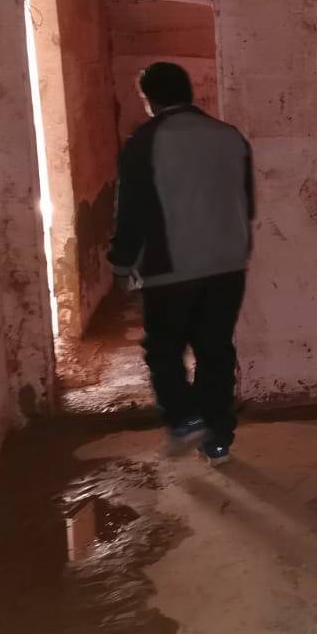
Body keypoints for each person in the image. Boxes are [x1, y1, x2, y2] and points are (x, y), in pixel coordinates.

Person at [108, 62, 254, 464]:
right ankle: (218, 439)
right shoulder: (230, 137)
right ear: (189, 92)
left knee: (164, 349)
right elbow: (247, 202)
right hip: (227, 263)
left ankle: (185, 418)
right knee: (215, 350)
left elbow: (131, 211)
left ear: (150, 99)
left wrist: (121, 264)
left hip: (171, 267)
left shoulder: (144, 141)